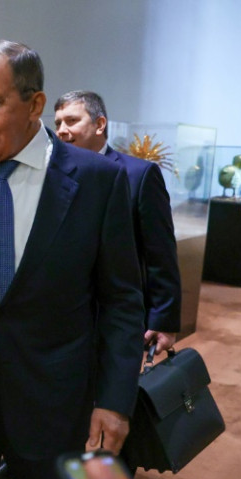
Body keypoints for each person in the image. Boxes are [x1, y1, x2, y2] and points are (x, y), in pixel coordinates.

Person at [0, 40, 145, 479]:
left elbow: (122, 301)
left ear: (35, 103)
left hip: (55, 405)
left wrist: (115, 401)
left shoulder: (98, 180)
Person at [54, 90, 181, 354]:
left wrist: (164, 320)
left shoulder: (139, 174)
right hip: (61, 316)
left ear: (100, 124)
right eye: (57, 123)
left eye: (71, 121)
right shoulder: (50, 176)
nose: (62, 131)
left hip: (116, 317)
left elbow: (161, 252)